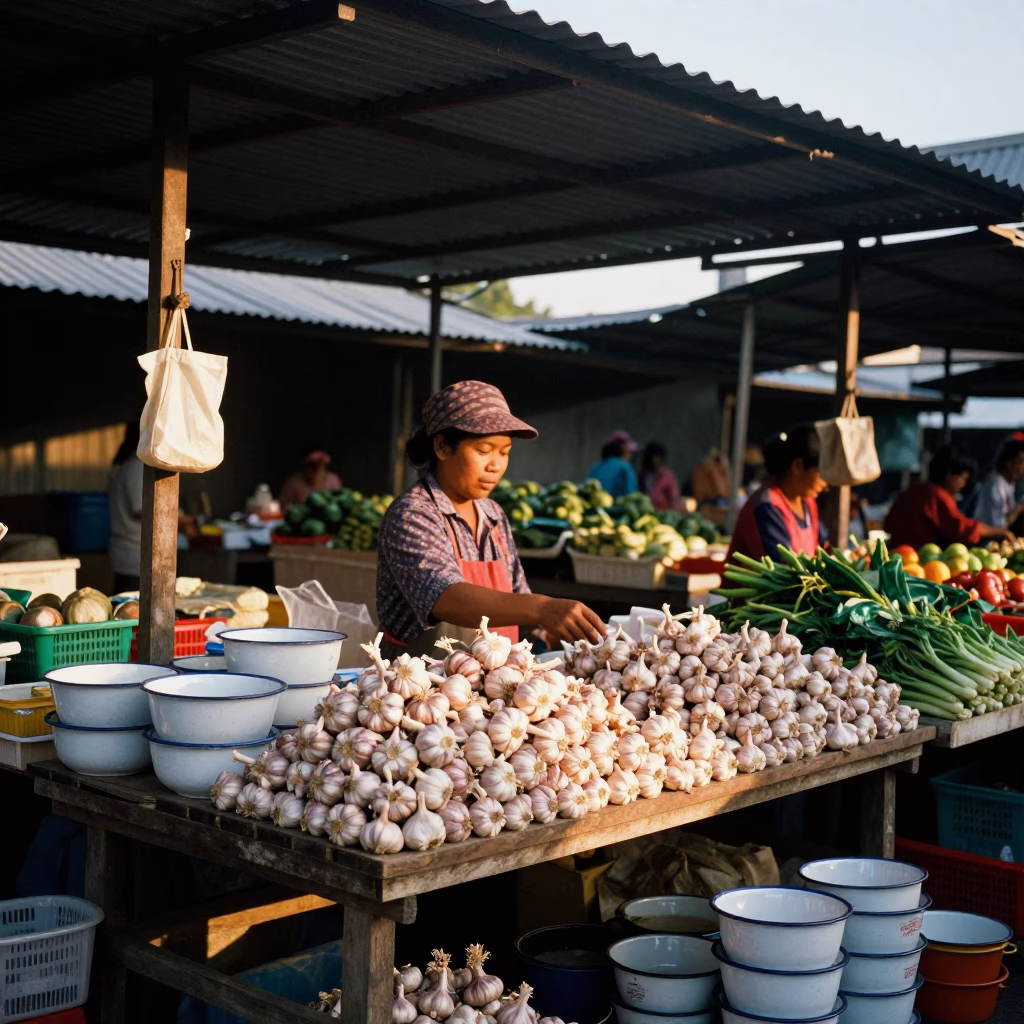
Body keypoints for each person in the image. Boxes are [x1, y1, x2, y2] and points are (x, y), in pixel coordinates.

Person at [376, 381, 605, 658]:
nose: (495, 465)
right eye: (484, 450)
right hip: (420, 687)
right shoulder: (413, 514)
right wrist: (545, 608)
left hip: (493, 691)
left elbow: (517, 598)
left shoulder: (493, 515)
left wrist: (552, 635)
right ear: (442, 447)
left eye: (504, 452)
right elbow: (445, 598)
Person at [108, 422, 196, 594]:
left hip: (132, 555)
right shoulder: (135, 468)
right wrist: (183, 520)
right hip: (133, 555)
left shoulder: (132, 466)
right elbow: (140, 509)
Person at [727, 424, 828, 563]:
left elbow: (823, 549)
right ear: (798, 466)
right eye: (821, 473)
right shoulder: (766, 506)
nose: (825, 483)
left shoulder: (808, 503)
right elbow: (781, 566)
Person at [885, 445, 1014, 549]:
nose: (963, 485)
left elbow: (888, 523)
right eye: (963, 479)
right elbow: (961, 528)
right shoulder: (938, 495)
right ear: (949, 475)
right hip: (919, 560)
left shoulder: (913, 489)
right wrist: (998, 532)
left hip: (898, 554)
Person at [972, 440, 1024, 530]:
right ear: (1008, 462)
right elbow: (996, 524)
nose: (1022, 466)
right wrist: (1018, 509)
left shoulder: (1009, 484)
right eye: (1020, 461)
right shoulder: (995, 485)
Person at [586, 431, 638, 497]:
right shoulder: (625, 467)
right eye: (629, 452)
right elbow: (631, 495)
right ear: (623, 450)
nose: (630, 456)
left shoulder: (597, 466)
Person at [640, 442, 681, 511]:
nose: (654, 460)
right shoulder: (643, 476)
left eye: (656, 457)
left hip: (663, 512)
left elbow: (674, 498)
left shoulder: (667, 476)